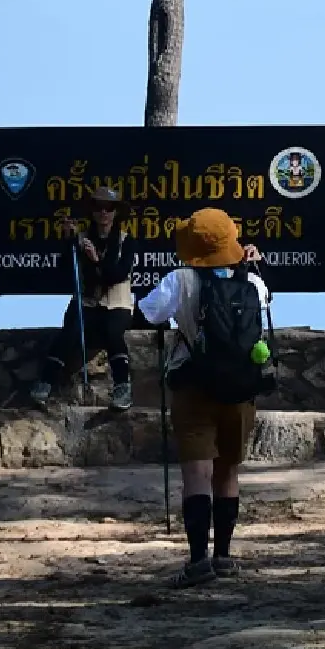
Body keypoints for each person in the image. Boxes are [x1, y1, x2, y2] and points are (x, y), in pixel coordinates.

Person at [138, 208, 272, 587]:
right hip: (241, 387)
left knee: (198, 472)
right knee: (228, 471)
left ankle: (198, 561)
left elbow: (148, 314)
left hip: (194, 386)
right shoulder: (255, 284)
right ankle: (225, 556)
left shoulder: (181, 280)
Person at [29, 186, 136, 411]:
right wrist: (68, 242)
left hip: (117, 302)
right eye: (98, 207)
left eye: (109, 208)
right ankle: (45, 384)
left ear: (116, 212)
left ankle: (122, 389)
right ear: (92, 212)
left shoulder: (127, 241)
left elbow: (116, 275)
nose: (103, 213)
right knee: (69, 333)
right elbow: (67, 273)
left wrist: (96, 259)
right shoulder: (81, 239)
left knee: (113, 333)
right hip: (86, 302)